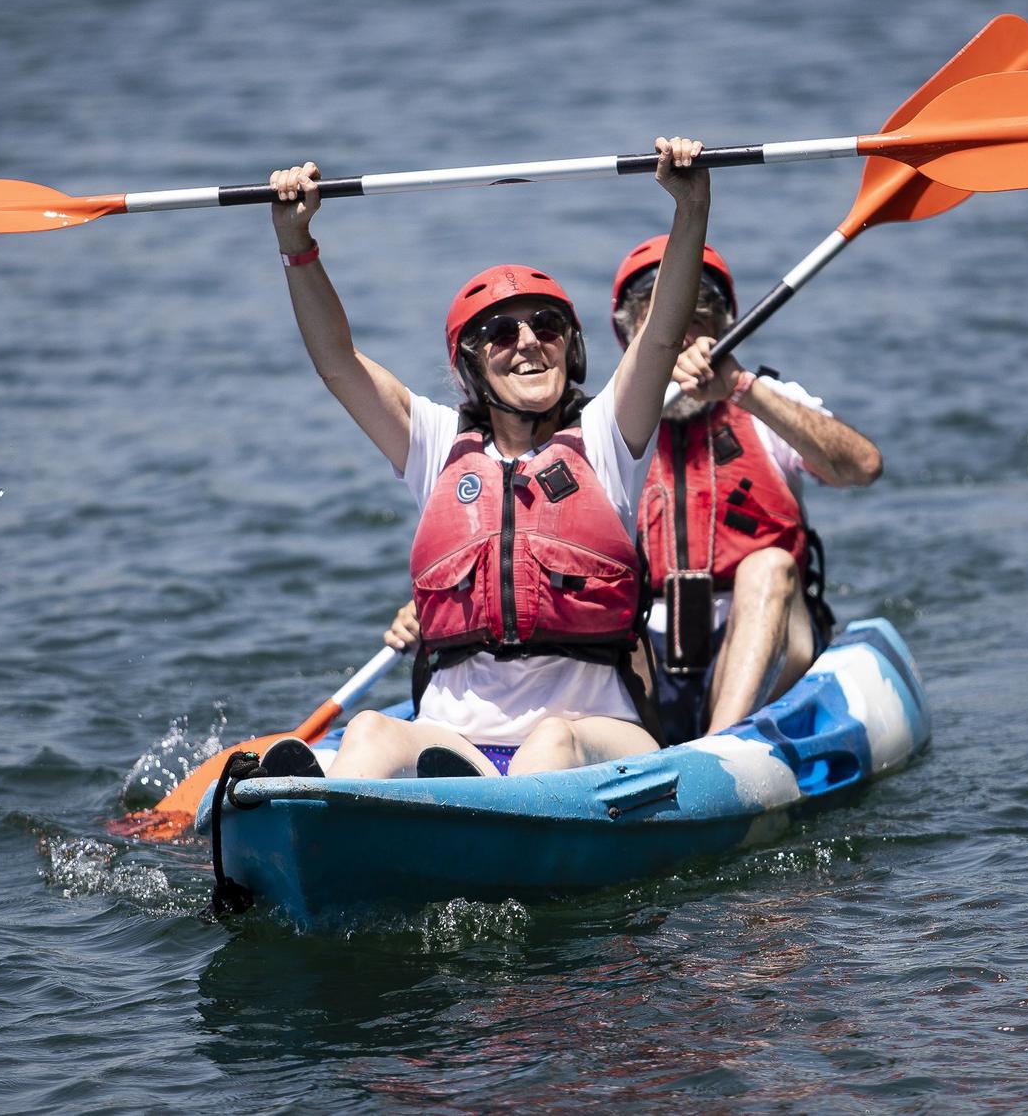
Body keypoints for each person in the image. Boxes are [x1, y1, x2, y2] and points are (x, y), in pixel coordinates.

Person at [265, 137, 717, 780]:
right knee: (367, 732)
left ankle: (489, 825)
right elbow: (337, 363)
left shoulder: (608, 439)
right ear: (472, 366)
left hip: (593, 746)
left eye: (547, 327)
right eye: (502, 334)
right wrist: (296, 243)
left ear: (572, 348)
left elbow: (664, 333)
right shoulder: (436, 446)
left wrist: (690, 206)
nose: (529, 343)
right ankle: (329, 826)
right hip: (460, 745)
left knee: (551, 741)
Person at [386, 238, 883, 745]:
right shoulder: (600, 435)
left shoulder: (765, 405)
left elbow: (863, 467)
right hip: (644, 651)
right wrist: (442, 605)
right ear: (634, 338)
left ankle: (718, 751)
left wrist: (742, 388)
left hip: (767, 643)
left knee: (769, 567)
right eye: (669, 327)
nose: (686, 343)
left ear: (726, 327)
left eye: (701, 323)